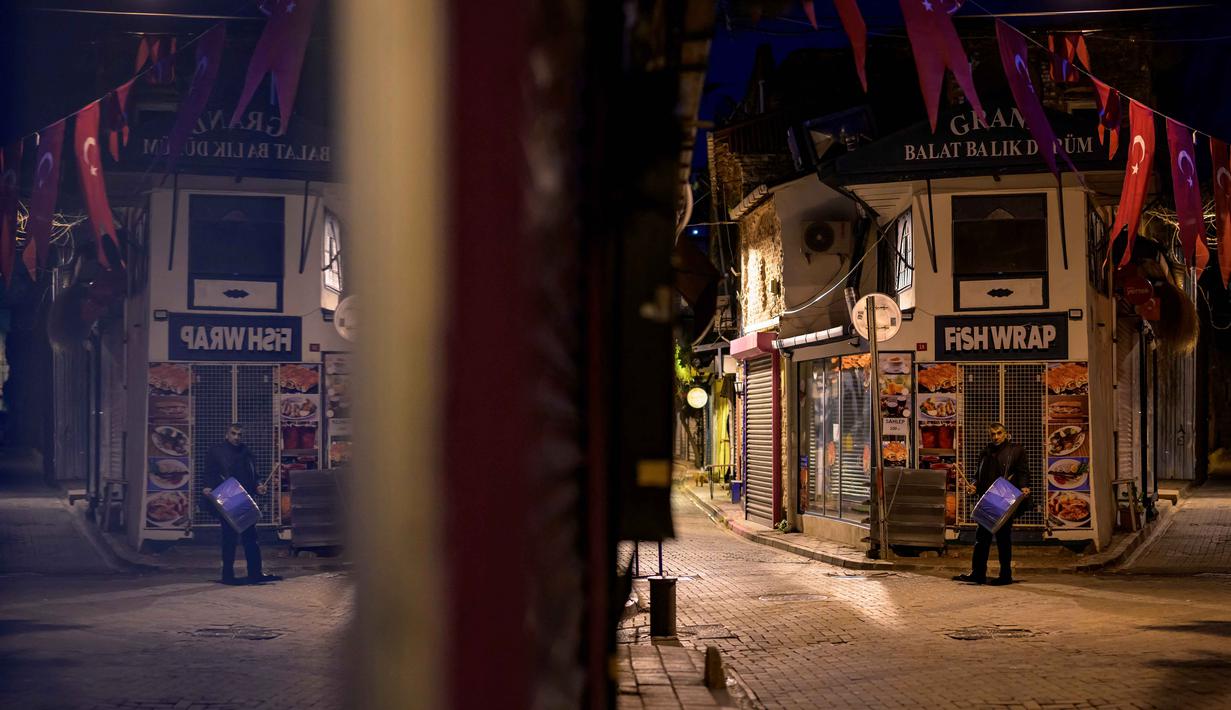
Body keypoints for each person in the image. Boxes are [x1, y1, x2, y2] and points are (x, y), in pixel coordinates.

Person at [953, 422, 1031, 586]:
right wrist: (974, 485)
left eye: (999, 433)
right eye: (993, 434)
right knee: (981, 538)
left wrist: (1024, 486)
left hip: (1004, 495)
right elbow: (977, 474)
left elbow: (1023, 471)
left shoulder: (1016, 450)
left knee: (1003, 538)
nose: (996, 437)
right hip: (987, 498)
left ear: (1005, 434)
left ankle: (1005, 575)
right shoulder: (986, 451)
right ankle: (978, 573)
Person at [203, 424, 280, 585]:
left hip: (244, 497)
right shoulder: (216, 451)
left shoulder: (247, 452)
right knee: (229, 537)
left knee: (251, 537)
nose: (237, 437)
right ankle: (228, 575)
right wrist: (208, 486)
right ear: (227, 435)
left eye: (239, 434)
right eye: (233, 433)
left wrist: (259, 486)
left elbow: (254, 474)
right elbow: (210, 472)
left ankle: (255, 573)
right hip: (227, 494)